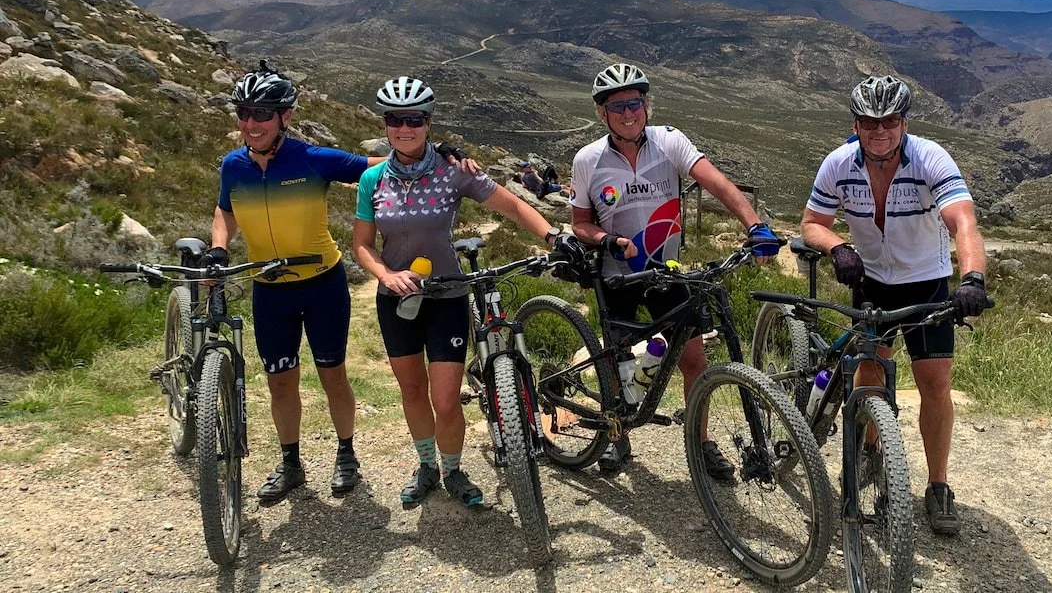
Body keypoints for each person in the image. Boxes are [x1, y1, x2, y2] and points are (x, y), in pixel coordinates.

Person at [207, 62, 469, 503]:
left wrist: (440, 153)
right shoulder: (233, 166)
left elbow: (382, 164)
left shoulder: (313, 159)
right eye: (245, 113)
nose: (251, 123)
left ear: (284, 117)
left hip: (321, 283)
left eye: (263, 114)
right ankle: (290, 462)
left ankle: (346, 453)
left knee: (333, 375)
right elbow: (225, 211)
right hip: (268, 288)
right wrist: (219, 247)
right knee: (280, 381)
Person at [352, 76, 578, 506]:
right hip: (395, 300)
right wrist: (384, 275)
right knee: (412, 392)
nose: (405, 128)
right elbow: (361, 245)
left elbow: (510, 205)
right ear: (385, 123)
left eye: (414, 119)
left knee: (445, 397)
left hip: (448, 297)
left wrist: (552, 236)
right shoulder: (373, 179)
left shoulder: (454, 171)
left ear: (428, 121)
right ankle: (426, 467)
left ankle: (452, 469)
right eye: (396, 120)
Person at [799, 75, 989, 535]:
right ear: (856, 123)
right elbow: (810, 223)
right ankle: (870, 450)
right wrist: (837, 247)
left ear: (903, 122)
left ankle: (938, 486)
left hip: (925, 283)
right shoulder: (839, 163)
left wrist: (973, 279)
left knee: (935, 384)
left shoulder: (929, 158)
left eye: (890, 121)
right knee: (869, 374)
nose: (879, 130)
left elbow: (961, 220)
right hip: (872, 282)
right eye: (869, 122)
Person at [569, 62, 779, 477]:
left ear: (646, 105)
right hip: (618, 273)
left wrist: (755, 225)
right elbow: (579, 223)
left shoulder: (669, 142)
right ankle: (617, 436)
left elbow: (716, 182)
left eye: (635, 104)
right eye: (618, 107)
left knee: (694, 360)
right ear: (601, 113)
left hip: (666, 270)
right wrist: (605, 240)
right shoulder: (588, 160)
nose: (629, 114)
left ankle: (701, 444)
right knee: (617, 358)